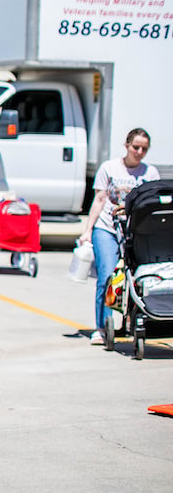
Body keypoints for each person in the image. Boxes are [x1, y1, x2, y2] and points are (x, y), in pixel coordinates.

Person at [79, 127, 158, 345]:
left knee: (138, 278)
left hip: (135, 231)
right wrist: (88, 230)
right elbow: (99, 200)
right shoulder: (109, 168)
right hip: (107, 228)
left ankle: (134, 321)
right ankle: (102, 327)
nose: (139, 152)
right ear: (126, 146)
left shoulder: (150, 173)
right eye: (135, 147)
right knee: (107, 275)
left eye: (144, 148)